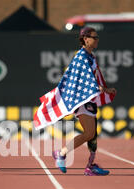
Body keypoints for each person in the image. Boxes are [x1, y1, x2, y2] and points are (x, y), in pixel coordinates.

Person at [47, 27, 116, 176]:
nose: (97, 40)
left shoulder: (91, 57)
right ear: (85, 39)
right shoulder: (81, 57)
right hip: (81, 99)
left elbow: (94, 78)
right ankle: (61, 152)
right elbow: (82, 79)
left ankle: (90, 166)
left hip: (89, 99)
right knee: (89, 133)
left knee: (92, 135)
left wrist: (106, 89)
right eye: (94, 37)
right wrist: (97, 87)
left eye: (97, 37)